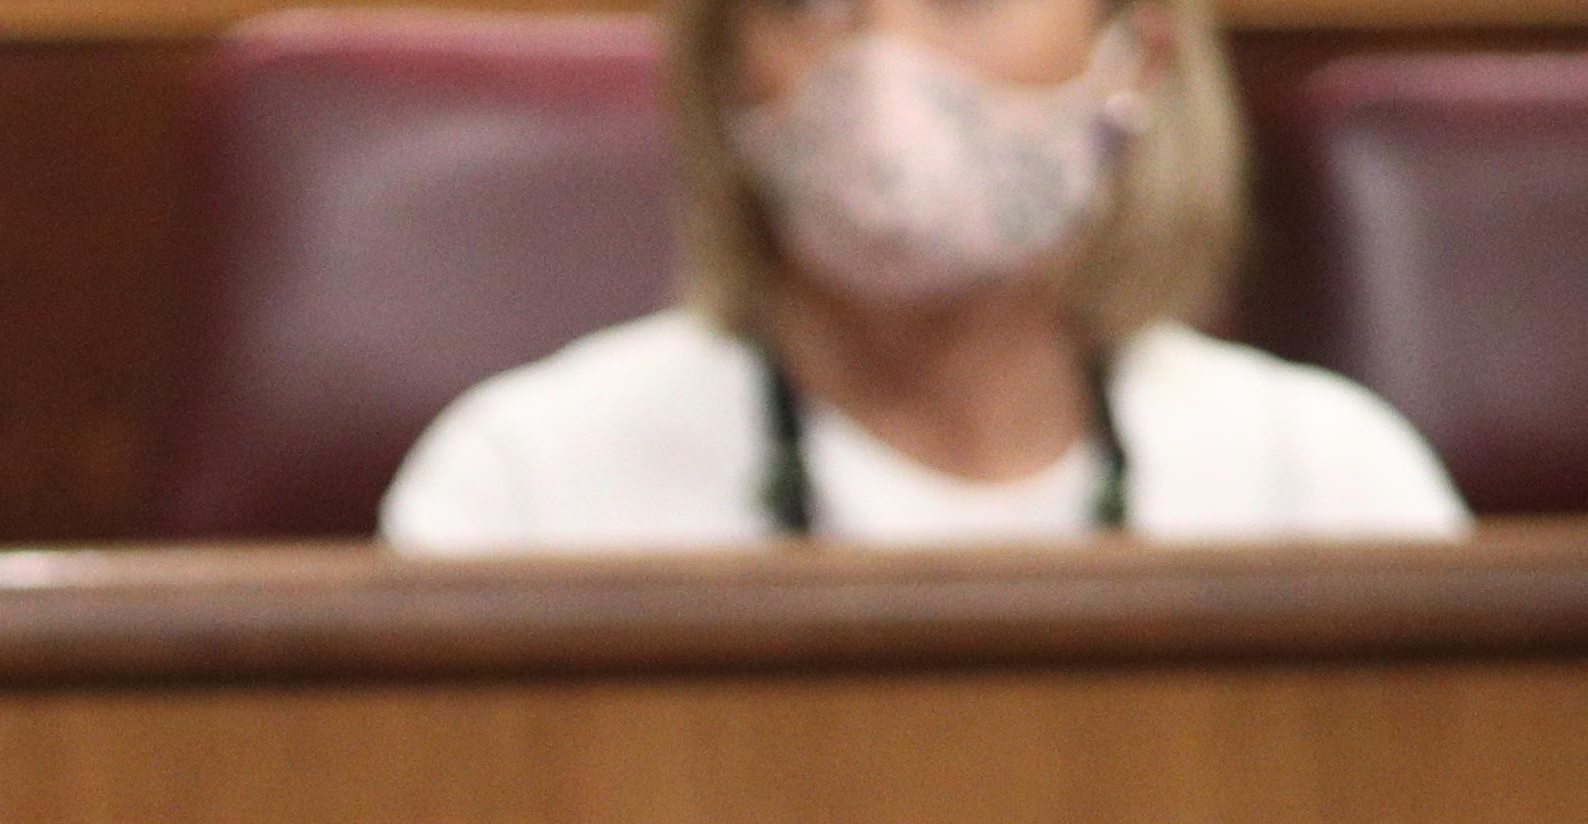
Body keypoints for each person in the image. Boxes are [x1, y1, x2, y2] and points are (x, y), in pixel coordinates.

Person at [379, 0, 1462, 550]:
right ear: (723, 73)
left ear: (1139, 53)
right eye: (808, 4)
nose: (880, 66)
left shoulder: (1327, 486)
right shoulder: (524, 490)